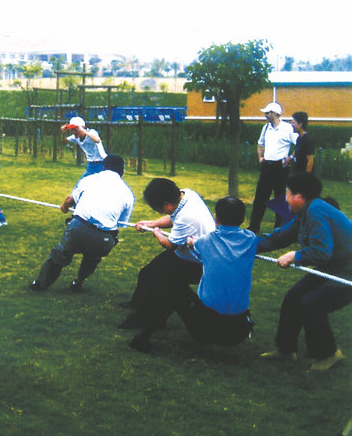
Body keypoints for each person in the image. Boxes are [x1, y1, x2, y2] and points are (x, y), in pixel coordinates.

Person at [130, 197, 257, 352]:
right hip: (240, 331)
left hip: (207, 331)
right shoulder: (251, 240)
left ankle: (142, 338)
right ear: (243, 219)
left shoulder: (204, 241)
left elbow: (186, 242)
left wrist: (189, 241)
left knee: (171, 288)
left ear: (216, 218)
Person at [258, 172, 352, 371]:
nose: (285, 198)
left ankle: (329, 354)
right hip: (335, 265)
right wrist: (245, 246)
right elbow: (279, 237)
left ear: (299, 196)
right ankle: (285, 349)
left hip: (348, 270)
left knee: (312, 303)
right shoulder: (304, 213)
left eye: (287, 193)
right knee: (294, 297)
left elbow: (321, 252)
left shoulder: (317, 211)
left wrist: (294, 256)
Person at [119, 178, 216, 334]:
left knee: (159, 282)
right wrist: (151, 224)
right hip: (187, 253)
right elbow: (172, 218)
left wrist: (156, 233)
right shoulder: (187, 195)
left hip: (199, 264)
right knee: (147, 274)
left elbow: (168, 244)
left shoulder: (187, 217)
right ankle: (139, 306)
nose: (159, 213)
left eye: (159, 209)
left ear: (166, 205)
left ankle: (147, 318)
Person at [29, 155, 134, 292]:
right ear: (122, 172)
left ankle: (40, 284)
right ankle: (77, 282)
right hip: (104, 238)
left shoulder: (89, 179)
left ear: (103, 167)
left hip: (78, 228)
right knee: (93, 258)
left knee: (60, 255)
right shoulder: (128, 194)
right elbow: (122, 223)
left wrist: (64, 207)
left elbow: (70, 199)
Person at [247, 102, 298, 234]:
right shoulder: (266, 128)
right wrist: (260, 157)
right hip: (267, 167)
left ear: (275, 113)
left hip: (280, 168)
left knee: (280, 198)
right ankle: (253, 227)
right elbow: (260, 144)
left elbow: (299, 144)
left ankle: (279, 228)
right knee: (260, 198)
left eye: (267, 113)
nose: (265, 115)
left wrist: (291, 158)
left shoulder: (288, 128)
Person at [61, 116, 107, 182]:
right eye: (72, 130)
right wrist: (63, 133)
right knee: (80, 185)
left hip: (102, 163)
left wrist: (83, 131)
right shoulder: (76, 137)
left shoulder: (92, 132)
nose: (73, 132)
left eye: (75, 129)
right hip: (91, 164)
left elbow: (97, 140)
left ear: (82, 128)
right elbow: (64, 142)